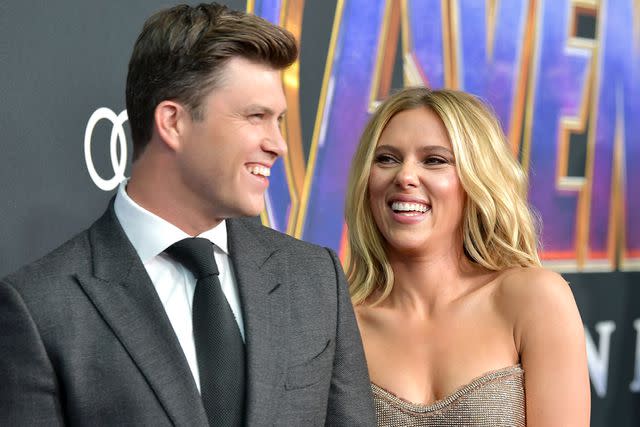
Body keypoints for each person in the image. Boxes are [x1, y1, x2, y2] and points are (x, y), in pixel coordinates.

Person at [0, 3, 374, 426]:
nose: (278, 145)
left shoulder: (313, 278)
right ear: (173, 122)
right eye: (256, 117)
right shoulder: (40, 308)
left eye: (279, 121)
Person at [345, 87, 590, 426]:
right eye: (387, 158)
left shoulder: (534, 299)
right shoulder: (340, 322)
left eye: (434, 160)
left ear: (476, 179)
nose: (404, 176)